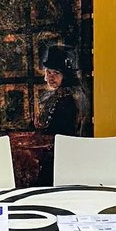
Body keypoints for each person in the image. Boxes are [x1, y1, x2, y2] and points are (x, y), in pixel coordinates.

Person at [32, 44, 91, 186]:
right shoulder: (59, 94)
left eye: (56, 73)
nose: (51, 78)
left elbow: (61, 132)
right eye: (49, 73)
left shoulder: (68, 98)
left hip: (65, 158)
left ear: (65, 75)